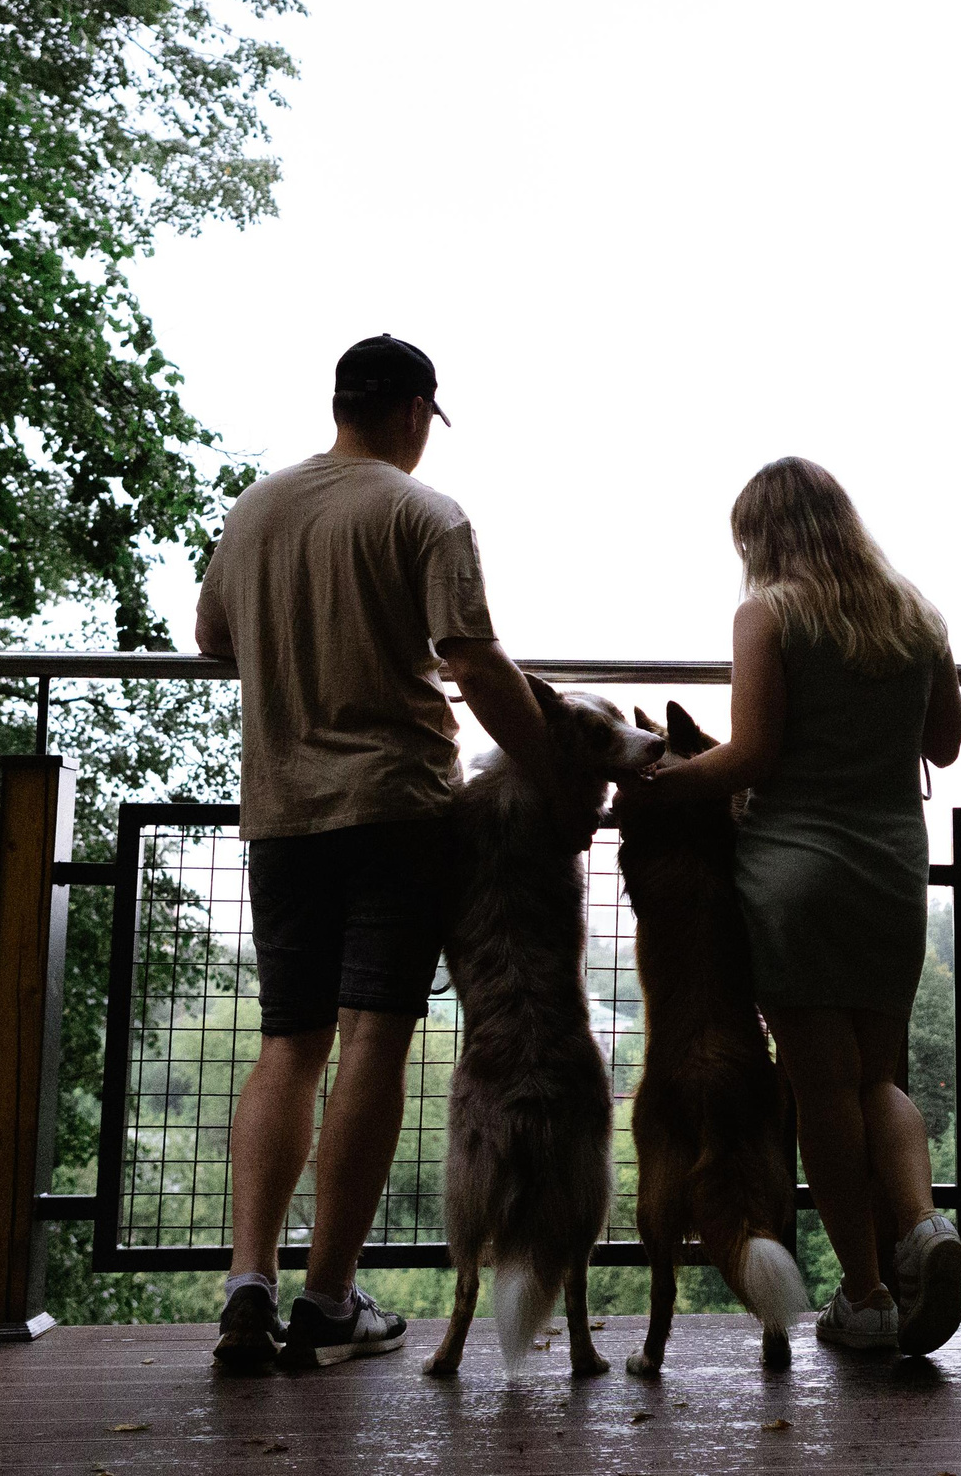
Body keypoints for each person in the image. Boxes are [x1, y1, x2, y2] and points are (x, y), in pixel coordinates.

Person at [194, 335, 567, 1373]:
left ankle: (248, 1282)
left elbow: (212, 636)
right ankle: (327, 1299)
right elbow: (473, 662)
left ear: (340, 404)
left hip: (281, 810)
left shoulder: (256, 509)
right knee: (372, 1040)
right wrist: (549, 772)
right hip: (397, 810)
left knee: (288, 1042)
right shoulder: (424, 513)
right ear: (413, 412)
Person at [622, 456, 961, 1356]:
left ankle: (866, 1296)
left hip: (793, 873)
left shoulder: (768, 613)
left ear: (761, 537)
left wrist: (658, 785)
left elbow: (752, 756)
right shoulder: (915, 612)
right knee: (879, 1077)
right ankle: (924, 1226)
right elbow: (947, 741)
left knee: (821, 1088)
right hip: (891, 868)